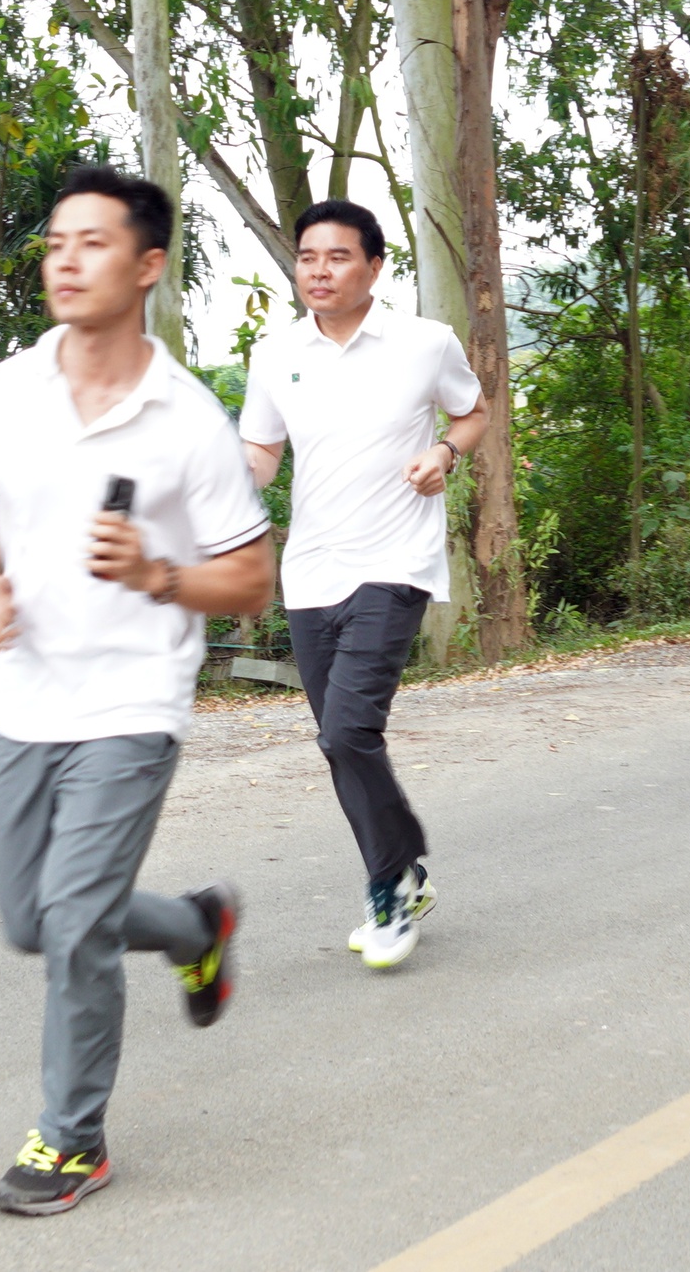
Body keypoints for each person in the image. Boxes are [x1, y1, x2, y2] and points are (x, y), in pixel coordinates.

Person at [0, 166, 276, 1216]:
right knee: (27, 921)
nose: (66, 260)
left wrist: (156, 576)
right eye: (54, 243)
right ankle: (193, 929)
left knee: (76, 921)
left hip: (132, 703)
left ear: (145, 267)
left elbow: (252, 581)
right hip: (20, 699)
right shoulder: (2, 391)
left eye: (91, 243)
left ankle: (71, 1139)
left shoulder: (186, 421)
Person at [240, 199, 486, 968]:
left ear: (374, 267)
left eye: (337, 256)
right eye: (307, 256)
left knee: (348, 730)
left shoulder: (424, 342)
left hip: (394, 563)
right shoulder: (274, 351)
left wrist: (446, 453)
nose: (318, 270)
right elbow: (261, 452)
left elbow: (473, 412)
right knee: (340, 742)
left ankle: (388, 886)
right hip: (309, 571)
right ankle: (405, 871)